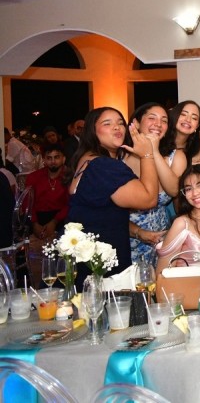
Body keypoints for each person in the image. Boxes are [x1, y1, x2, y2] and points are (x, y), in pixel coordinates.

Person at [67, 107, 159, 286]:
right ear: (92, 130)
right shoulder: (103, 166)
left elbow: (101, 214)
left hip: (87, 255)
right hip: (100, 265)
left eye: (120, 123)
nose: (117, 127)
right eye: (107, 123)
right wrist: (147, 154)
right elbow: (149, 199)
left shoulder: (87, 159)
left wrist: (139, 232)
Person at [125, 103, 186, 267]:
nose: (158, 124)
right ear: (136, 123)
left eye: (164, 120)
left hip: (161, 238)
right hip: (127, 235)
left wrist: (154, 152)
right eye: (152, 118)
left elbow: (174, 190)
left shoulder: (176, 156)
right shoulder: (121, 155)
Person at [156, 164, 200, 274]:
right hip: (186, 285)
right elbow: (161, 274)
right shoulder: (182, 224)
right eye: (188, 189)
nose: (195, 193)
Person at [25, 142, 70, 285]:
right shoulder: (34, 177)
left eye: (57, 157)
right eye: (49, 158)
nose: (53, 161)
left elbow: (71, 204)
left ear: (63, 159)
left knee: (61, 264)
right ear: (44, 159)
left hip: (63, 222)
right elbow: (27, 204)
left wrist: (55, 222)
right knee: (37, 261)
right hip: (37, 222)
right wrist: (34, 224)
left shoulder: (70, 177)